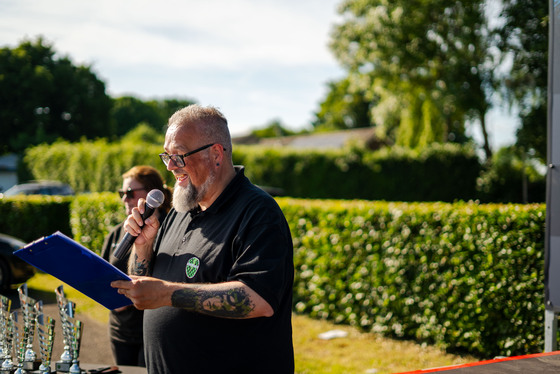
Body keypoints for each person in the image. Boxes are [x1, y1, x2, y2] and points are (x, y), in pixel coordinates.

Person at [111, 104, 295, 373]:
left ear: (216, 154)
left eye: (180, 155)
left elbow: (259, 298)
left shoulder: (258, 212)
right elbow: (148, 286)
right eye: (167, 156)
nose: (171, 166)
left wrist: (167, 294)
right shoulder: (180, 210)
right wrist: (143, 248)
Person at [101, 165, 172, 367]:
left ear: (152, 195)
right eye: (121, 193)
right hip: (119, 331)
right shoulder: (116, 233)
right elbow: (103, 273)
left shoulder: (169, 231)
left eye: (130, 193)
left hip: (151, 332)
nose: (125, 198)